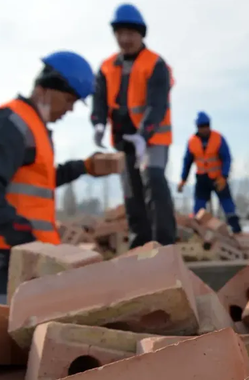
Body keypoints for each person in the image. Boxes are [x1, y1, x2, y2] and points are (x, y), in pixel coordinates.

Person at [0, 51, 113, 304]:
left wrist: (84, 167)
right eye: (68, 100)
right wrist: (24, 236)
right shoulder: (11, 124)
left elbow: (39, 182)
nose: (70, 109)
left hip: (22, 255)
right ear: (46, 89)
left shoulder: (32, 126)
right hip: (0, 257)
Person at [91, 3, 177, 248]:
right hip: (123, 140)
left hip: (153, 139)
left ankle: (164, 244)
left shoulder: (155, 64)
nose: (125, 39)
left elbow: (157, 104)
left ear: (141, 34)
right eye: (120, 33)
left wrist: (144, 134)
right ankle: (140, 246)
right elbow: (99, 98)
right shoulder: (107, 67)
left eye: (130, 33)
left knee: (154, 180)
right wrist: (98, 123)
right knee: (131, 192)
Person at [177, 111, 242, 233]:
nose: (205, 128)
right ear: (197, 127)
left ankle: (236, 229)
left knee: (227, 204)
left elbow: (227, 158)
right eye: (202, 126)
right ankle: (197, 231)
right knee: (199, 208)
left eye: (206, 125)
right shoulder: (192, 142)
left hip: (218, 178)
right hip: (202, 179)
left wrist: (224, 176)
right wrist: (183, 179)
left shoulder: (218, 138)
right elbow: (187, 162)